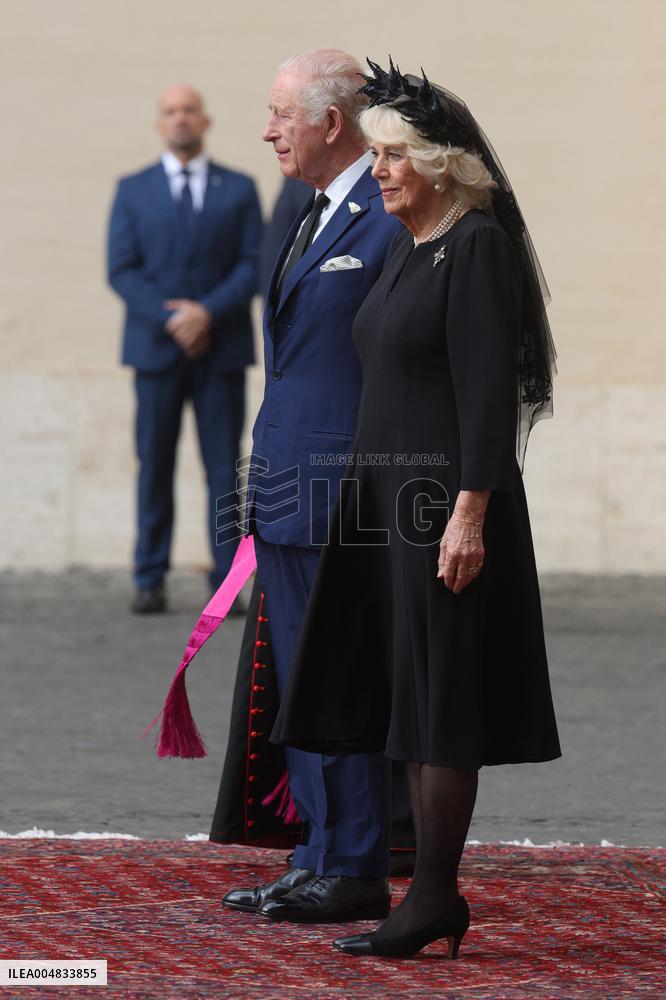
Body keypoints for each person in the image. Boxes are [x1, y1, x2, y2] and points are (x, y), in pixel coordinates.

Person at [271, 59, 561, 958]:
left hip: (444, 508)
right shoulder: (408, 243)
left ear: (442, 164)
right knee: (406, 696)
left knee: (442, 705)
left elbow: (488, 397)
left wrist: (469, 513)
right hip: (387, 505)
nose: (381, 169)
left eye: (395, 155)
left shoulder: (475, 247)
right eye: (377, 154)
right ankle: (419, 889)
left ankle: (434, 896)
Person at [221, 49, 402, 922]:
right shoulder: (308, 208)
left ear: (332, 122)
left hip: (346, 488)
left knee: (340, 678)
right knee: (299, 676)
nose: (267, 132)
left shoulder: (390, 211)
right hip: (288, 481)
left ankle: (357, 862)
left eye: (281, 115)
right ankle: (318, 852)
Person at [107, 85, 262, 613]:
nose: (180, 119)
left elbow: (253, 264)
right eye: (171, 112)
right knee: (153, 466)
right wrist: (173, 317)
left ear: (205, 121)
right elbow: (121, 270)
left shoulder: (238, 189)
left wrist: (206, 312)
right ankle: (149, 576)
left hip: (220, 350)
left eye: (189, 110)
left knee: (223, 469)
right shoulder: (133, 190)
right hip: (155, 351)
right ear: (159, 123)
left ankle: (225, 582)